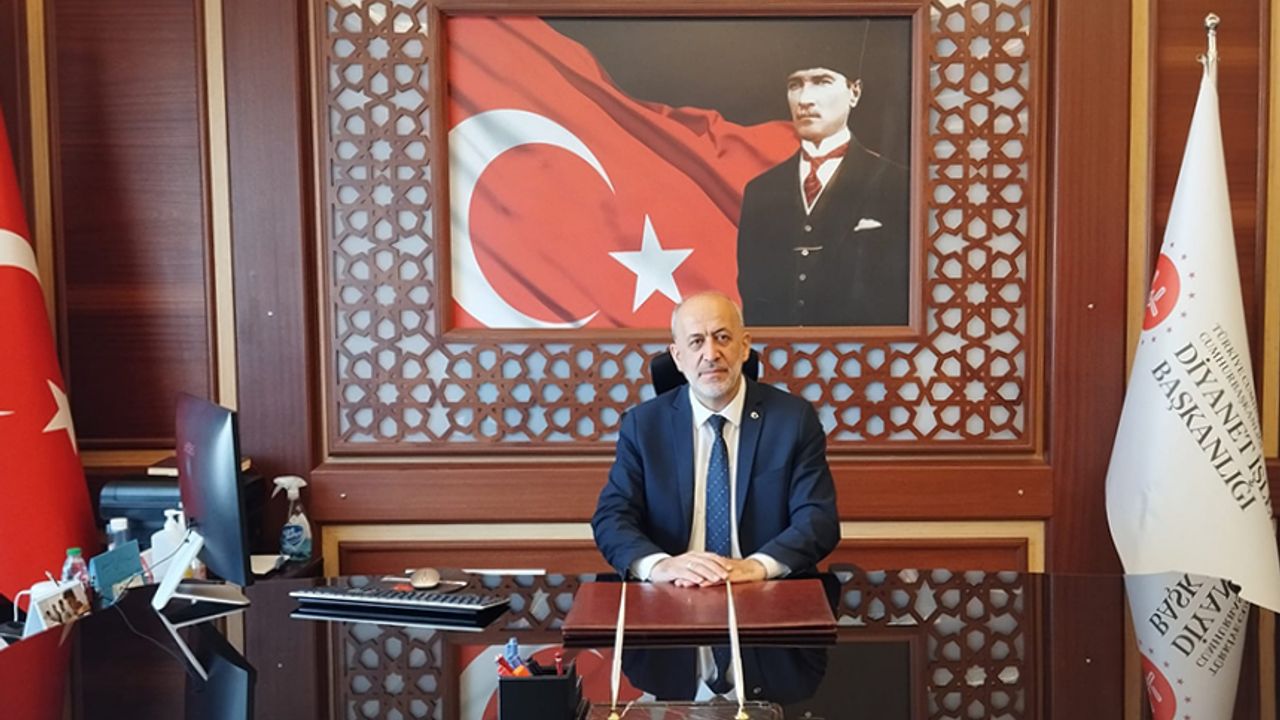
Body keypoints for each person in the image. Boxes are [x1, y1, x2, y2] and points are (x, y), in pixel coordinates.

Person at [592, 291, 840, 699]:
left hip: (767, 605)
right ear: (677, 356)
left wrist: (757, 566)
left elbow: (818, 519)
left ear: (745, 346)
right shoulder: (643, 426)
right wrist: (660, 565)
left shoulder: (793, 420)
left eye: (723, 337)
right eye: (696, 342)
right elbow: (611, 518)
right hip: (670, 604)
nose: (711, 354)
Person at [736, 45, 911, 327]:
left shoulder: (898, 183)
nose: (805, 99)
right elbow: (753, 296)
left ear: (854, 92)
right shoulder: (761, 191)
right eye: (795, 85)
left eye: (822, 81)